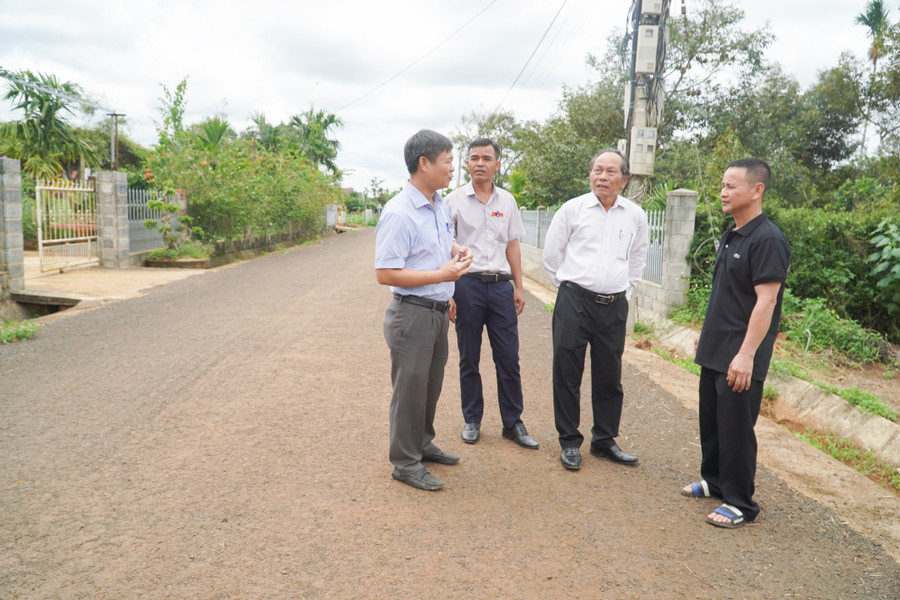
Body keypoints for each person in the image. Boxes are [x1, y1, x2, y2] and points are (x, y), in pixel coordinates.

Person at [683, 158, 790, 528]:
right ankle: (715, 482)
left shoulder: (768, 240)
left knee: (735, 428)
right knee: (712, 421)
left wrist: (746, 355)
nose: (723, 192)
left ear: (757, 190)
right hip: (716, 346)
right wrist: (707, 330)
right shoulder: (733, 233)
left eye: (732, 186)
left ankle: (741, 502)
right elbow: (726, 293)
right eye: (723, 186)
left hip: (740, 354)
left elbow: (767, 301)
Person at [374, 129, 473, 491]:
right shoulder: (400, 212)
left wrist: (457, 250)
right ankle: (404, 462)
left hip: (436, 310)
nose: (452, 169)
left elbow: (441, 242)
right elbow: (385, 272)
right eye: (448, 161)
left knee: (429, 387)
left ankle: (422, 443)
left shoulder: (438, 204)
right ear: (424, 163)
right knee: (409, 390)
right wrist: (440, 274)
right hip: (411, 314)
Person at [542, 149, 649, 470]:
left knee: (609, 375)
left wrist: (625, 288)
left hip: (614, 305)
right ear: (590, 175)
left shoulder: (634, 215)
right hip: (574, 301)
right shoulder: (572, 210)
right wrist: (569, 288)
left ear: (624, 180)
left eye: (611, 172)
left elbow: (638, 255)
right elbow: (552, 254)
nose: (602, 177)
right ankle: (569, 441)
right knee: (567, 371)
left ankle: (604, 440)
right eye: (597, 171)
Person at [444, 138, 538, 450]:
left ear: (498, 164)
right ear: (466, 164)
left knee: (508, 357)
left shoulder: (507, 202)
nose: (480, 163)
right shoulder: (453, 201)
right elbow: (444, 248)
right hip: (466, 285)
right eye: (474, 158)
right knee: (469, 356)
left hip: (500, 287)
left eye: (487, 158)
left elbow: (512, 245)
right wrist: (449, 293)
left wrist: (519, 286)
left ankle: (513, 423)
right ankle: (472, 419)